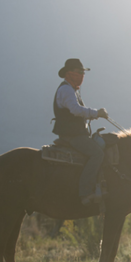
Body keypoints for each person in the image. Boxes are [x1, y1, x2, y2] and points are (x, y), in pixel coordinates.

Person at [52, 58, 109, 205]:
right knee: (97, 153)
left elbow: (77, 112)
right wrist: (97, 113)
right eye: (79, 72)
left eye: (83, 73)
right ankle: (85, 192)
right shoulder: (65, 90)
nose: (82, 76)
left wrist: (93, 115)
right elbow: (76, 110)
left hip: (74, 133)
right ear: (69, 73)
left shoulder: (71, 90)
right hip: (72, 135)